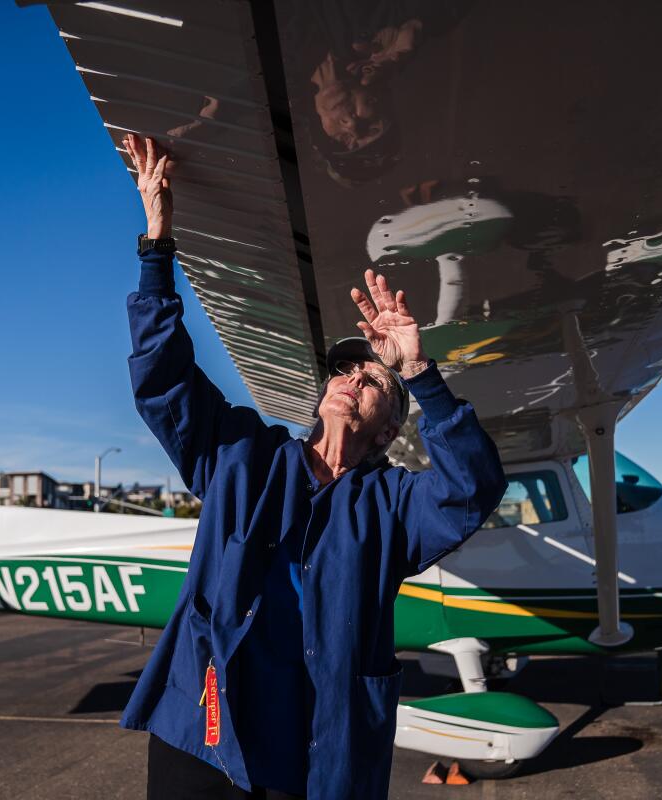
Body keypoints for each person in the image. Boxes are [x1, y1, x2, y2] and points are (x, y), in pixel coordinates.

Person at [118, 133, 507, 800]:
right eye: (345, 369)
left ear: (389, 431)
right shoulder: (242, 454)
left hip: (315, 754)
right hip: (207, 732)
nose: (353, 376)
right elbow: (164, 381)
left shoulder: (392, 507)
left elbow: (472, 489)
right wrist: (157, 246)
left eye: (374, 380)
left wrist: (418, 370)